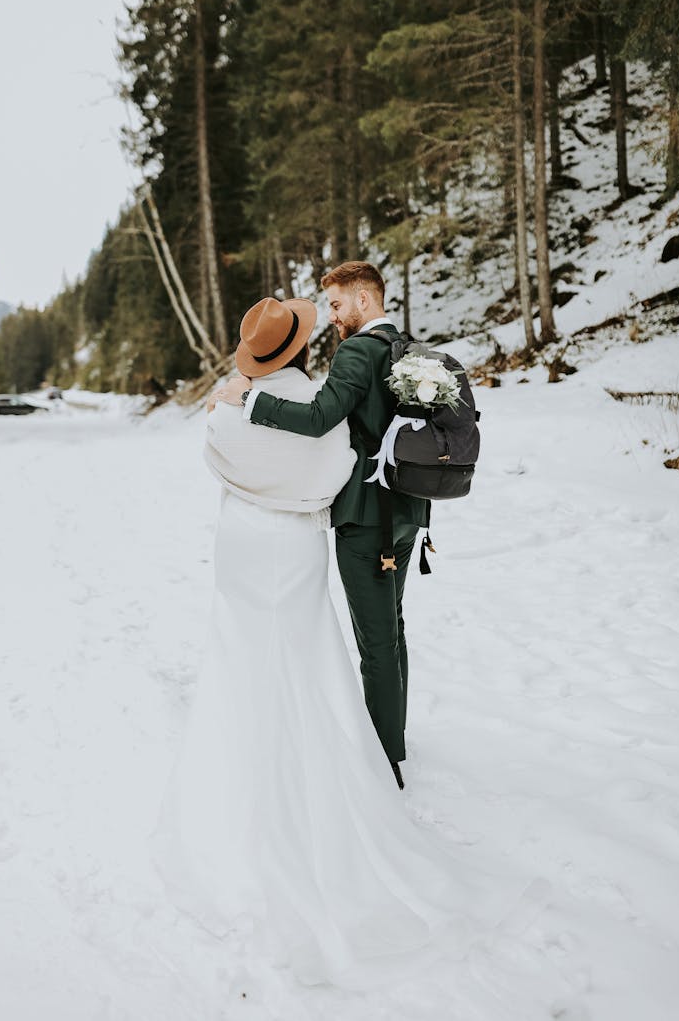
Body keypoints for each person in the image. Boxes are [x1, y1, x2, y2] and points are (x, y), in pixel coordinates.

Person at [152, 295, 476, 989]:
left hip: (241, 543)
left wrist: (228, 411)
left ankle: (239, 760)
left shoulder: (232, 407)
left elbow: (216, 456)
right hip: (295, 547)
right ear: (302, 348)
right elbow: (332, 481)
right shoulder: (317, 403)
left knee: (240, 649)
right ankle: (349, 757)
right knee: (305, 650)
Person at [217, 261, 427, 789]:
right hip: (408, 513)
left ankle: (385, 761)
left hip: (366, 519)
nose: (332, 317)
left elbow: (318, 420)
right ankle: (393, 737)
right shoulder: (405, 347)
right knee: (393, 631)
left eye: (336, 304)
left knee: (375, 641)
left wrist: (250, 400)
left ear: (363, 296)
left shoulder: (359, 350)